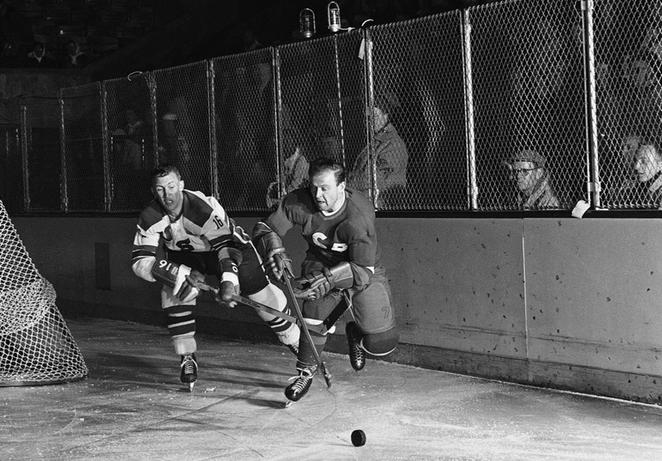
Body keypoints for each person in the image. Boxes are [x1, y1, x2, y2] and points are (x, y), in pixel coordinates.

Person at [131, 165, 300, 390]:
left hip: (231, 249)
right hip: (188, 257)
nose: (167, 194)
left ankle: (294, 338)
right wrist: (177, 274)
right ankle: (187, 356)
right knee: (173, 292)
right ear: (154, 191)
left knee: (261, 297)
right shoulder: (150, 216)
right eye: (160, 189)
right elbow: (140, 262)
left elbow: (226, 248)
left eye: (171, 187)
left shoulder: (200, 209)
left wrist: (229, 281)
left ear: (181, 185)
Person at [253, 157, 399, 403]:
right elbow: (264, 228)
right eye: (314, 187)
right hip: (320, 262)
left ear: (341, 187)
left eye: (325, 188)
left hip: (363, 268)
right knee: (313, 312)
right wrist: (274, 247)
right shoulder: (299, 202)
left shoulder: (358, 217)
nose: (317, 194)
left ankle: (356, 333)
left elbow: (362, 272)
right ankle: (305, 372)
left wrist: (329, 280)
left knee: (382, 342)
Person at [347, 98, 409, 209]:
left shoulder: (393, 144)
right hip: (368, 201)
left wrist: (345, 184)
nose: (370, 121)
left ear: (386, 115)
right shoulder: (376, 141)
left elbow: (376, 178)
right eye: (368, 118)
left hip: (383, 205)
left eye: (374, 117)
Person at [632, 143, 662, 208]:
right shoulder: (639, 186)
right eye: (635, 160)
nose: (636, 167)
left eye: (644, 161)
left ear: (660, 164)